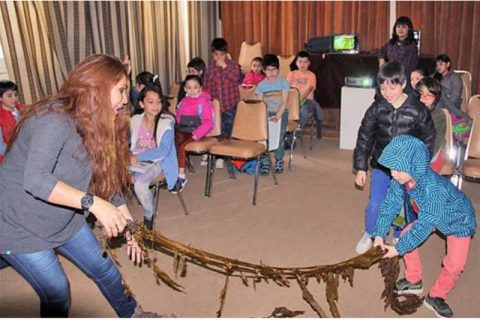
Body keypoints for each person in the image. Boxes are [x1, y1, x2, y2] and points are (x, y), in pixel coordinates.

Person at [0, 54, 158, 317]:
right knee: (57, 292)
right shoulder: (53, 119)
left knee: (105, 269)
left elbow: (107, 183)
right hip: (18, 225)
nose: (124, 98)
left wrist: (130, 228)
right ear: (96, 88)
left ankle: (134, 315)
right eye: (120, 90)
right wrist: (94, 204)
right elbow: (37, 180)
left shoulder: (99, 123)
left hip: (64, 218)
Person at [372, 135, 476, 318]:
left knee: (455, 265)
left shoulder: (434, 190)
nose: (393, 174)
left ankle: (436, 296)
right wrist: (379, 234)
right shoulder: (400, 180)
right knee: (405, 235)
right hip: (431, 213)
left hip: (458, 220)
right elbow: (389, 206)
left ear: (415, 166)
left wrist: (398, 250)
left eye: (398, 169)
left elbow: (423, 227)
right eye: (391, 169)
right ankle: (413, 280)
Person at [353, 61, 435, 254]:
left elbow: (428, 139)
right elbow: (364, 137)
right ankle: (370, 232)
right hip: (382, 165)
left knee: (405, 204)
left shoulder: (418, 109)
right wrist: (361, 167)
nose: (387, 92)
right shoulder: (376, 108)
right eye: (382, 88)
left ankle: (401, 233)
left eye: (392, 87)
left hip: (406, 170)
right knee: (376, 202)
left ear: (404, 83)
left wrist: (418, 168)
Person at [129, 85, 180, 230]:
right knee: (109, 176)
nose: (155, 106)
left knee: (140, 184)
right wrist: (127, 154)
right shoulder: (135, 120)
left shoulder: (167, 122)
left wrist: (137, 157)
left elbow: (163, 151)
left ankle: (149, 214)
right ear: (141, 103)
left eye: (158, 101)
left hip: (158, 162)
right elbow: (126, 143)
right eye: (150, 102)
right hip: (136, 160)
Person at [203, 38, 242, 169]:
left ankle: (224, 154)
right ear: (212, 54)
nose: (218, 57)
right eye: (216, 54)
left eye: (221, 54)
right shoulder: (210, 69)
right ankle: (216, 153)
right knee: (217, 129)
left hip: (230, 104)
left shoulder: (233, 66)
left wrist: (224, 66)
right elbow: (207, 87)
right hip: (216, 106)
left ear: (226, 54)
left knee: (228, 129)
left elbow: (235, 78)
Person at [255, 54, 290, 174]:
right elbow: (260, 104)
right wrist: (265, 117)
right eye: (268, 70)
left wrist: (278, 116)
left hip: (281, 112)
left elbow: (284, 102)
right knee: (264, 138)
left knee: (279, 137)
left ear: (278, 69)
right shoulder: (261, 86)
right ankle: (265, 162)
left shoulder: (284, 82)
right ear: (263, 70)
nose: (271, 72)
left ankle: (279, 160)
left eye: (274, 69)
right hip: (267, 113)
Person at [175, 75, 214, 181]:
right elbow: (178, 118)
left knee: (182, 146)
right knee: (169, 143)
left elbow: (208, 122)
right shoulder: (183, 101)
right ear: (185, 89)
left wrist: (197, 134)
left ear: (200, 88)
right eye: (189, 87)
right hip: (182, 129)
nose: (192, 90)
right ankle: (171, 171)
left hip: (195, 131)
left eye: (195, 87)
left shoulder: (203, 102)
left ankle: (181, 175)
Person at [287, 50, 324, 139]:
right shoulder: (291, 74)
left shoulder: (311, 75)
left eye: (305, 62)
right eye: (300, 61)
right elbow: (287, 88)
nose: (302, 64)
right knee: (283, 110)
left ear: (309, 63)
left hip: (307, 100)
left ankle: (296, 133)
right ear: (296, 63)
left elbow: (309, 89)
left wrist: (299, 101)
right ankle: (286, 133)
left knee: (304, 111)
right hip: (292, 100)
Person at [378, 16, 418, 92]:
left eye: (403, 27)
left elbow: (407, 66)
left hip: (403, 80)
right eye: (398, 26)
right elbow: (382, 51)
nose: (400, 29)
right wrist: (381, 60)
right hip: (390, 77)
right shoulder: (392, 42)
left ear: (408, 29)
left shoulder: (412, 45)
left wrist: (388, 68)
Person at [416, 78, 447, 172]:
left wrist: (423, 161)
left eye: (429, 96)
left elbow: (437, 141)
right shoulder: (411, 110)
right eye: (421, 94)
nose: (423, 98)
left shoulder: (439, 115)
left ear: (435, 98)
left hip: (433, 153)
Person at [0, 80, 25, 165]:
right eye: (9, 96)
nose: (14, 98)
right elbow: (1, 146)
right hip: (9, 159)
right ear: (0, 98)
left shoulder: (23, 110)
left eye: (16, 95)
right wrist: (17, 157)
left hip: (26, 152)